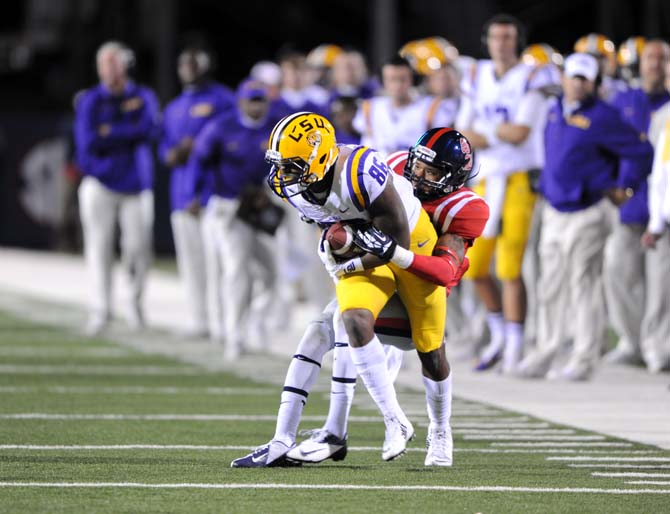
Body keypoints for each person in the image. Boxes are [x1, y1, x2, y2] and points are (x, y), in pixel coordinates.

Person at [230, 126, 487, 468]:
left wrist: (388, 252)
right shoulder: (391, 166)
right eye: (418, 165)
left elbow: (443, 272)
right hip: (379, 263)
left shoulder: (464, 207)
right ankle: (295, 437)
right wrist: (339, 246)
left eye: (432, 172)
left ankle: (439, 430)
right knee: (334, 323)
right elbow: (340, 221)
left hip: (422, 277)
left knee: (432, 353)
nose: (420, 175)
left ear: (452, 178)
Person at [516, 53, 653, 381]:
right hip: (554, 208)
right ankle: (547, 349)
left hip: (589, 210)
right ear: (564, 78)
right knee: (549, 284)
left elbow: (640, 150)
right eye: (574, 77)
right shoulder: (554, 110)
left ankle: (584, 356)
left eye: (585, 78)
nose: (577, 83)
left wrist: (625, 186)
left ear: (593, 83)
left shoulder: (603, 116)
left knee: (584, 284)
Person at [455, 14, 555, 374]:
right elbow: (464, 132)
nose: (502, 44)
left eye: (508, 37)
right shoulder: (474, 74)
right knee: (475, 266)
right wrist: (497, 130)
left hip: (518, 179)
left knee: (510, 265)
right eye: (496, 37)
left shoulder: (533, 74)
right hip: (485, 179)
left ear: (518, 41)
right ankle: (499, 334)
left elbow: (522, 134)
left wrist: (485, 130)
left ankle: (516, 342)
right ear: (487, 41)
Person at [191, 78, 284, 360]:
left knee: (272, 273)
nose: (257, 105)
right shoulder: (222, 127)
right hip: (229, 207)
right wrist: (196, 195)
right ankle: (234, 334)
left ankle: (256, 318)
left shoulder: (275, 129)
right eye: (252, 99)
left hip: (259, 206)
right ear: (241, 101)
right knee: (236, 271)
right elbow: (199, 159)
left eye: (261, 99)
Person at [74, 41, 160, 336]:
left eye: (115, 63)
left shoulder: (142, 95)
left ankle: (135, 306)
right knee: (98, 249)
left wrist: (109, 132)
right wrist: (124, 137)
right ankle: (101, 309)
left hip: (136, 185)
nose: (111, 70)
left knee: (137, 250)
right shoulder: (90, 100)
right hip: (100, 184)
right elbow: (86, 145)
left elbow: (150, 130)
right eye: (105, 64)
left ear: (125, 65)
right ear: (99, 68)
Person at [603, 40, 670, 372]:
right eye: (651, 59)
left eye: (663, 59)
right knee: (618, 267)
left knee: (661, 280)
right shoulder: (625, 100)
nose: (656, 65)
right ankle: (631, 341)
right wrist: (610, 184)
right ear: (639, 64)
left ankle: (658, 345)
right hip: (629, 200)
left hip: (664, 202)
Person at [160, 47, 235, 339]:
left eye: (194, 63)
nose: (189, 68)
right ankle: (199, 318)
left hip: (212, 193)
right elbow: (164, 147)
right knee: (190, 262)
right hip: (181, 192)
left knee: (219, 264)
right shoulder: (174, 106)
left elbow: (229, 140)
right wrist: (172, 154)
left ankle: (222, 322)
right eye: (184, 63)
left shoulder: (222, 100)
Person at [353, 55, 455, 158]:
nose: (397, 85)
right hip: (378, 169)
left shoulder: (432, 107)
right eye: (392, 79)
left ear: (412, 80)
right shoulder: (369, 107)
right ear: (382, 81)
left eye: (402, 79)